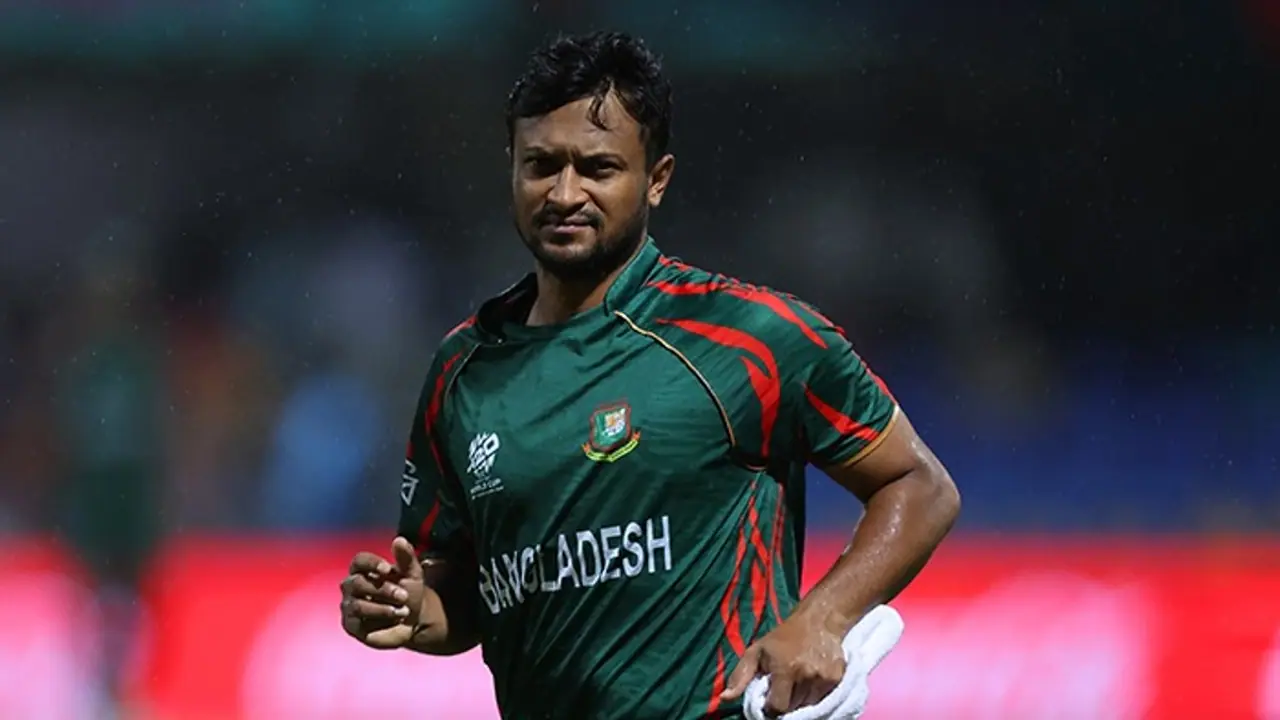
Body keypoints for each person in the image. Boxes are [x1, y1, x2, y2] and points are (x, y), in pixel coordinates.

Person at [340, 30, 960, 720]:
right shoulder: (464, 370)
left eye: (598, 169)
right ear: (511, 168)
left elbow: (919, 485)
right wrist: (410, 607)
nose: (564, 193)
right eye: (541, 165)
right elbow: (463, 595)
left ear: (656, 179)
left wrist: (823, 618)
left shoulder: (749, 337)